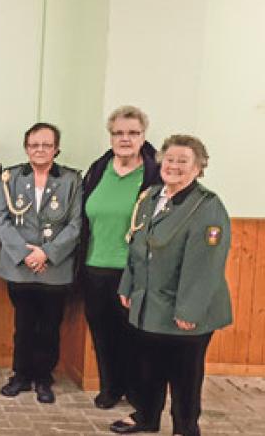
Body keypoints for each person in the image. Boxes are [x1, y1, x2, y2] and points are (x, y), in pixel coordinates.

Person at [110, 135, 232, 436]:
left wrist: (189, 310)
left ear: (198, 168)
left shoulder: (206, 207)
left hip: (185, 309)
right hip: (149, 303)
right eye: (170, 159)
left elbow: (205, 266)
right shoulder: (150, 197)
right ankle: (147, 418)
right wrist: (128, 287)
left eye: (183, 161)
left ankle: (185, 427)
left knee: (184, 377)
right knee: (148, 368)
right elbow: (137, 246)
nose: (174, 166)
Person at [0, 122, 82, 404]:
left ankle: (44, 378)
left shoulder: (71, 180)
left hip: (54, 268)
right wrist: (25, 253)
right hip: (20, 267)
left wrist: (47, 253)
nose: (40, 150)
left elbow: (76, 223)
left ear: (56, 148)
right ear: (26, 148)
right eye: (34, 145)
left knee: (49, 326)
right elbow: (1, 219)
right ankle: (20, 375)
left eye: (46, 145)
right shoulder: (11, 177)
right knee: (23, 324)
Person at [79, 106, 160, 409]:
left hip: (134, 272)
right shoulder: (99, 170)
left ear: (143, 136)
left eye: (133, 133)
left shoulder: (154, 174)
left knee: (135, 336)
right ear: (110, 136)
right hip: (95, 267)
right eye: (119, 133)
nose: (125, 139)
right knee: (102, 332)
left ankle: (138, 392)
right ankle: (110, 388)